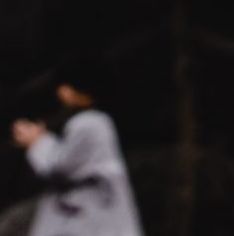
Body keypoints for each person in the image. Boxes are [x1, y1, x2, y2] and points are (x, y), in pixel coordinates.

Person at [12, 70, 142, 236]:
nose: (62, 93)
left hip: (91, 213)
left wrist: (37, 142)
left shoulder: (87, 123)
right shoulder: (97, 121)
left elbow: (59, 167)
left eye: (67, 87)